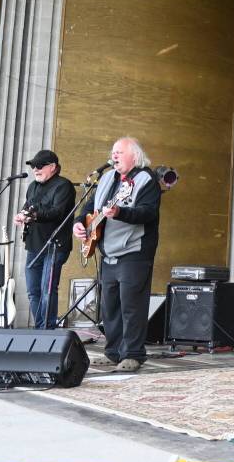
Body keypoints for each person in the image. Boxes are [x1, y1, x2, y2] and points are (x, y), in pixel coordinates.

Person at [73, 137, 161, 372]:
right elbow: (90, 207)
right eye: (113, 152)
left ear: (134, 155)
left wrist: (119, 212)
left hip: (134, 252)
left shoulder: (146, 179)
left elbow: (147, 213)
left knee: (132, 306)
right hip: (107, 251)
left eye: (119, 152)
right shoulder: (106, 178)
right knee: (109, 306)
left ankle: (133, 354)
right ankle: (113, 352)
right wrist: (80, 223)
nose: (114, 156)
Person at [14, 149, 76, 330]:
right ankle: (40, 327)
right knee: (33, 291)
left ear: (53, 167)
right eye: (33, 166)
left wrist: (32, 216)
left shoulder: (64, 186)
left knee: (47, 289)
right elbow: (27, 207)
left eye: (39, 166)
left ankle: (47, 329)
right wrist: (21, 216)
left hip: (55, 245)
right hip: (34, 244)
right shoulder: (33, 186)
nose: (35, 169)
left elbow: (57, 213)